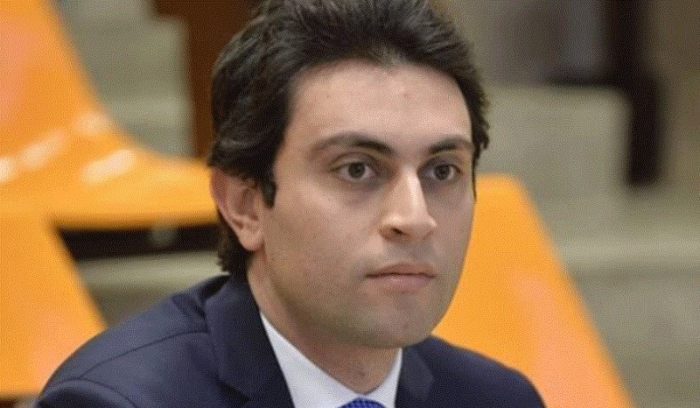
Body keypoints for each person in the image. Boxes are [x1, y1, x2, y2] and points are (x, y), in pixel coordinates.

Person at [37, 0, 546, 407]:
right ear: (245, 206)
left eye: (442, 171)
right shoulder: (120, 401)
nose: (415, 218)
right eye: (357, 169)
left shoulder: (497, 399)